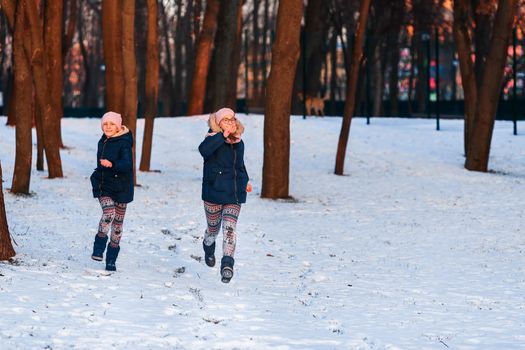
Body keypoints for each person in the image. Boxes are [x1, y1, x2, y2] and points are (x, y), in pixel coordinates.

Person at [198, 107, 250, 283]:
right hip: (213, 192)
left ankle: (227, 265)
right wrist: (222, 135)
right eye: (225, 119)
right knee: (213, 228)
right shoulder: (211, 139)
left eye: (232, 119)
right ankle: (208, 244)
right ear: (217, 123)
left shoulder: (239, 142)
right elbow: (204, 151)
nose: (230, 122)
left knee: (229, 230)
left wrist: (246, 181)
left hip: (233, 194)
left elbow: (240, 166)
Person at [89, 111, 134, 271]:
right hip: (105, 185)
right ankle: (98, 247)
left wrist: (112, 164)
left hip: (122, 188)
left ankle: (111, 260)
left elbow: (127, 165)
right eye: (105, 124)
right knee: (108, 213)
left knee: (117, 226)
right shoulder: (102, 141)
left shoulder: (124, 142)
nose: (108, 127)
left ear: (118, 126)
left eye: (111, 124)